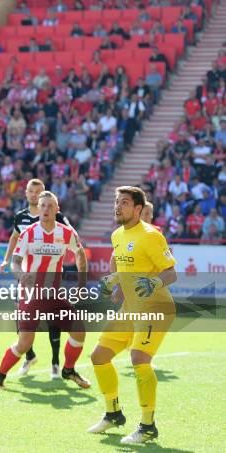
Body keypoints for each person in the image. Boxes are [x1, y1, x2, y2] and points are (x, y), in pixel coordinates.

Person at [89, 186, 177, 444]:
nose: (118, 206)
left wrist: (154, 283)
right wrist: (114, 283)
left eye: (124, 202)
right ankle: (113, 413)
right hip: (131, 309)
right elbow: (122, 264)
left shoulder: (151, 235)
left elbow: (171, 273)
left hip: (156, 308)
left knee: (139, 358)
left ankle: (148, 426)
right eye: (117, 202)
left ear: (138, 208)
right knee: (99, 356)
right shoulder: (117, 234)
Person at [0, 191, 91, 390]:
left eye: (49, 206)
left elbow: (80, 253)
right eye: (42, 205)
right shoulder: (29, 232)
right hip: (31, 294)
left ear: (57, 209)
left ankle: (68, 370)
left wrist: (81, 283)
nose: (45, 209)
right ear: (38, 208)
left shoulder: (66, 233)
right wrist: (21, 275)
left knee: (79, 330)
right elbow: (16, 262)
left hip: (54, 293)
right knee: (25, 343)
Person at [0, 179, 74, 379]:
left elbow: (72, 237)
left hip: (50, 277)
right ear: (26, 194)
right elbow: (14, 239)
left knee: (53, 319)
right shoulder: (20, 218)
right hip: (26, 277)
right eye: (31, 191)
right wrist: (7, 260)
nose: (34, 195)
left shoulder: (57, 218)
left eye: (38, 191)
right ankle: (29, 354)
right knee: (21, 318)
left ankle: (56, 362)